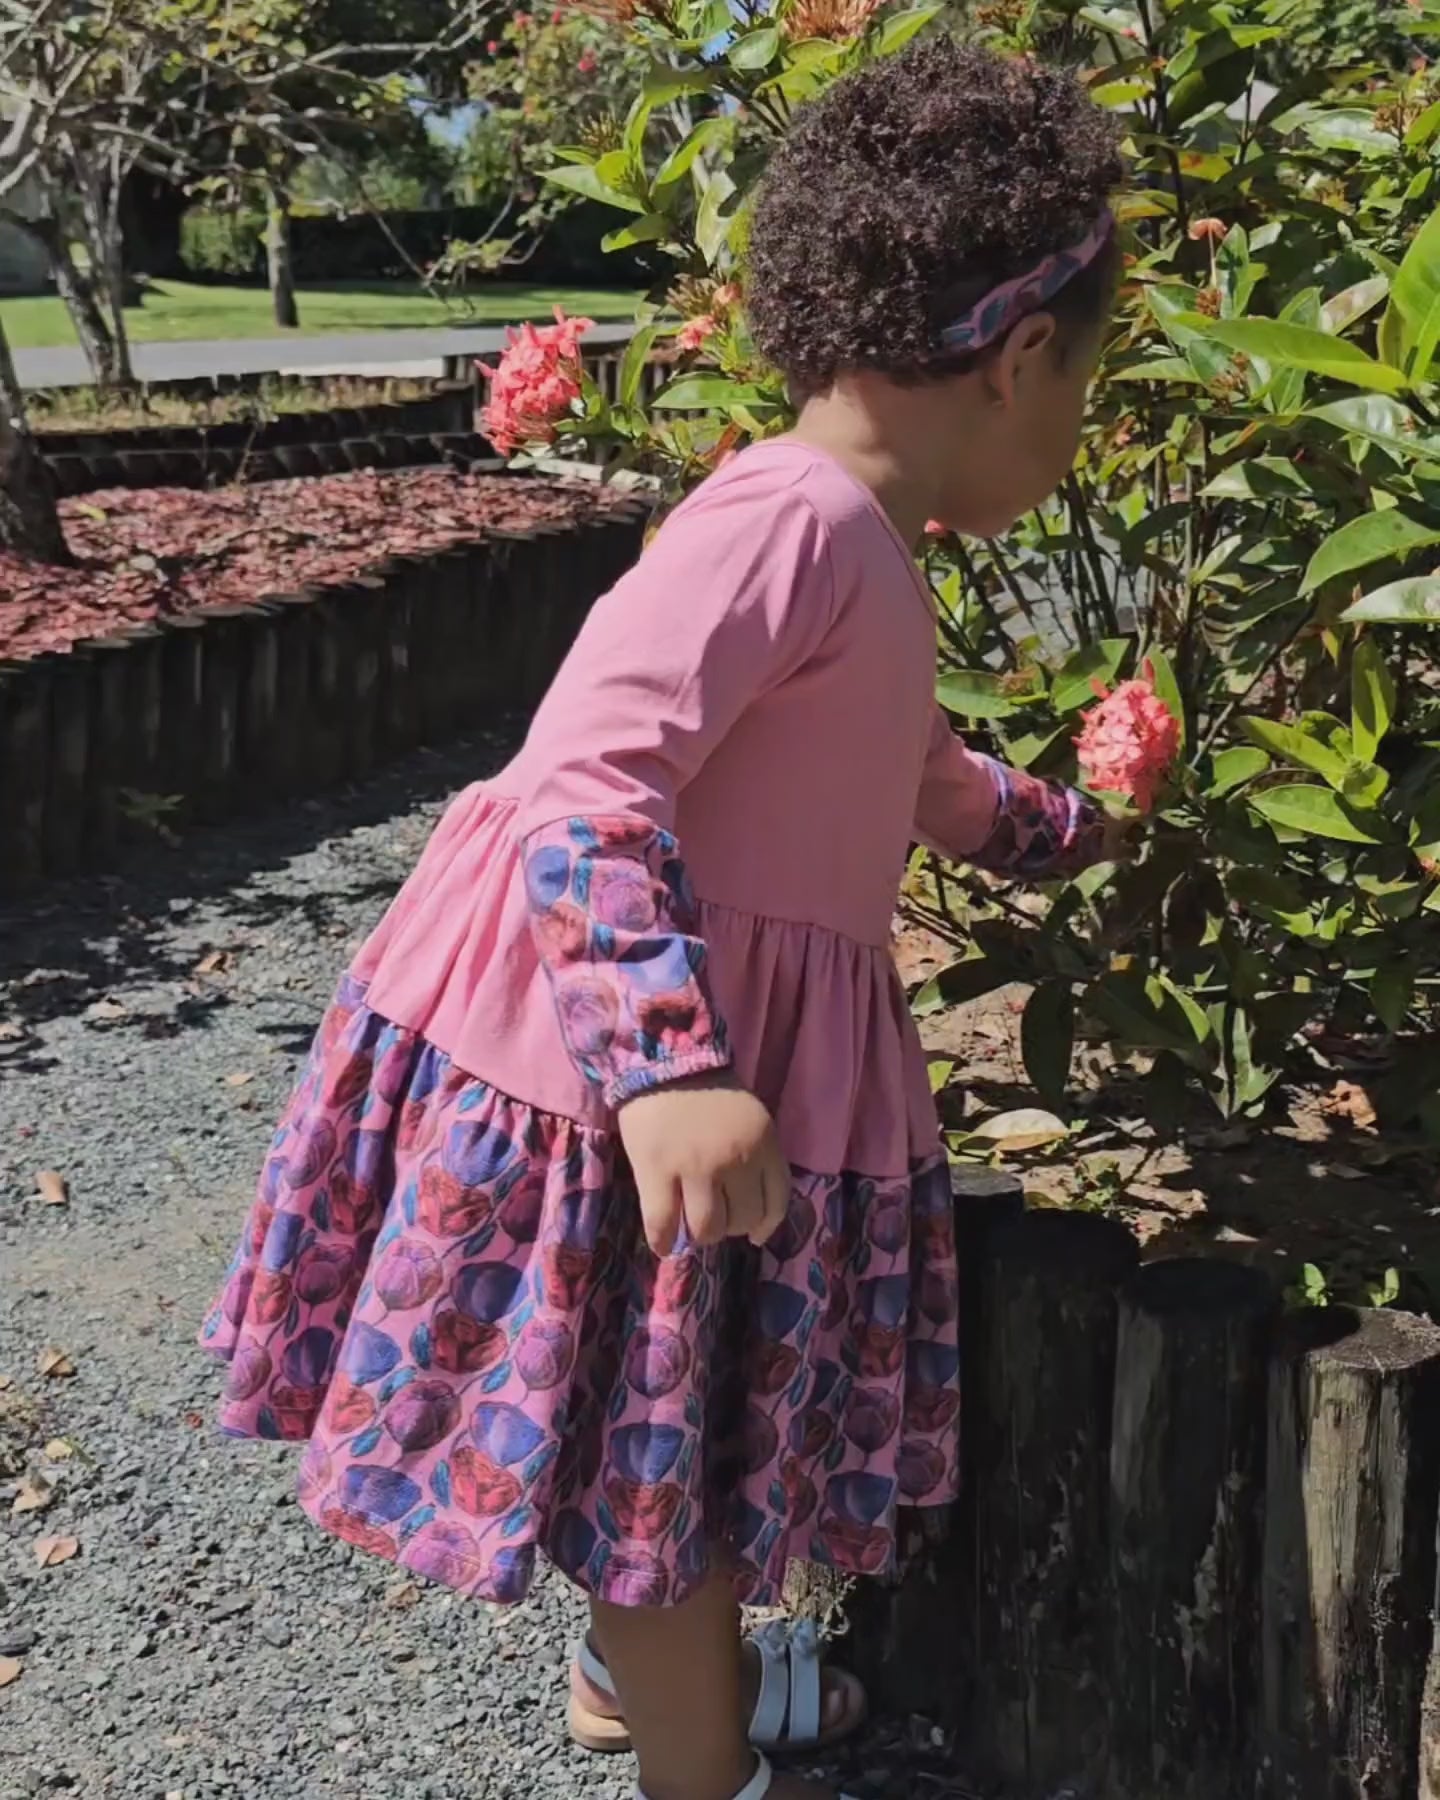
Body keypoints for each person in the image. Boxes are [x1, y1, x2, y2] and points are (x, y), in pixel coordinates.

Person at [202, 35, 1126, 1800]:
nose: (1075, 424)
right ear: (1021, 360)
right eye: (1083, 383)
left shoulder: (856, 535)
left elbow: (909, 767)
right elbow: (584, 782)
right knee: (662, 1485)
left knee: (665, 1431)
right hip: (616, 1070)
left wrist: (1059, 827)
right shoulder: (789, 521)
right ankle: (702, 1772)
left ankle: (636, 1685)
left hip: (713, 1060)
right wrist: (668, 1067)